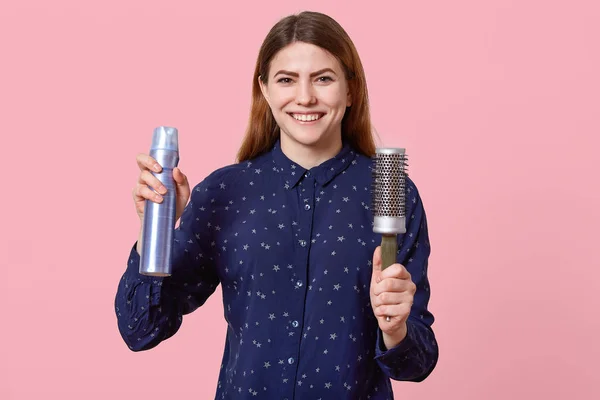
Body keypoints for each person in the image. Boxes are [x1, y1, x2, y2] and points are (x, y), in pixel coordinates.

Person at [115, 10, 438, 399]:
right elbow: (141, 329)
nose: (305, 97)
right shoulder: (224, 193)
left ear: (350, 90)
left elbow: (417, 364)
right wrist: (155, 228)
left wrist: (395, 329)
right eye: (287, 80)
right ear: (265, 89)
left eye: (323, 78)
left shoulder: (391, 190)